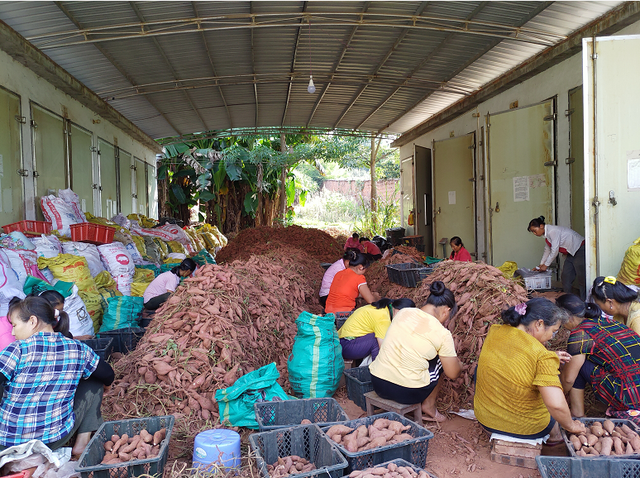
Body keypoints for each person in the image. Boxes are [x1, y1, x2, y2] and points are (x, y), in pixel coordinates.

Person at [0, 296, 114, 455]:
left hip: (7, 443)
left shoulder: (17, 349)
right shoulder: (78, 349)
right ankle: (82, 442)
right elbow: (108, 373)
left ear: (32, 321)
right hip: (52, 442)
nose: (13, 332)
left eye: (15, 325)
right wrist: (106, 386)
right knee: (94, 380)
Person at [474, 298, 586, 443]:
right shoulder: (541, 355)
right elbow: (556, 405)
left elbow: (515, 357)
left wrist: (550, 357)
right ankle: (555, 438)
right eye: (553, 331)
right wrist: (571, 425)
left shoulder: (495, 330)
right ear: (539, 324)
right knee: (551, 398)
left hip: (486, 420)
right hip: (525, 429)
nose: (552, 337)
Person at [369, 281, 462, 423]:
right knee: (441, 361)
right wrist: (459, 364)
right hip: (408, 393)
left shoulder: (403, 312)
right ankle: (429, 406)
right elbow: (453, 373)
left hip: (378, 383)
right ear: (446, 311)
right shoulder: (442, 333)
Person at [556, 293, 640, 419]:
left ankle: (578, 414)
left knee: (575, 364)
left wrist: (555, 394)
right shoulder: (612, 323)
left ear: (568, 318)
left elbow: (568, 379)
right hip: (635, 388)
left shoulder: (580, 334)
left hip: (629, 397)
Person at [338, 298, 415, 361]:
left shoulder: (385, 307)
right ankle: (378, 371)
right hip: (346, 346)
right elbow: (383, 347)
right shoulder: (383, 319)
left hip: (342, 342)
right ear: (398, 310)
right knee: (378, 341)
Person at [528, 216, 586, 299]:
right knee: (566, 276)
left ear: (541, 226)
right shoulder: (547, 235)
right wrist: (541, 264)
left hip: (579, 249)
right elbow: (547, 250)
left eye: (534, 230)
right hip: (571, 253)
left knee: (582, 278)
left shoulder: (553, 231)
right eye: (533, 232)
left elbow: (554, 251)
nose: (534, 233)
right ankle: (567, 299)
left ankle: (585, 300)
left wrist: (546, 265)